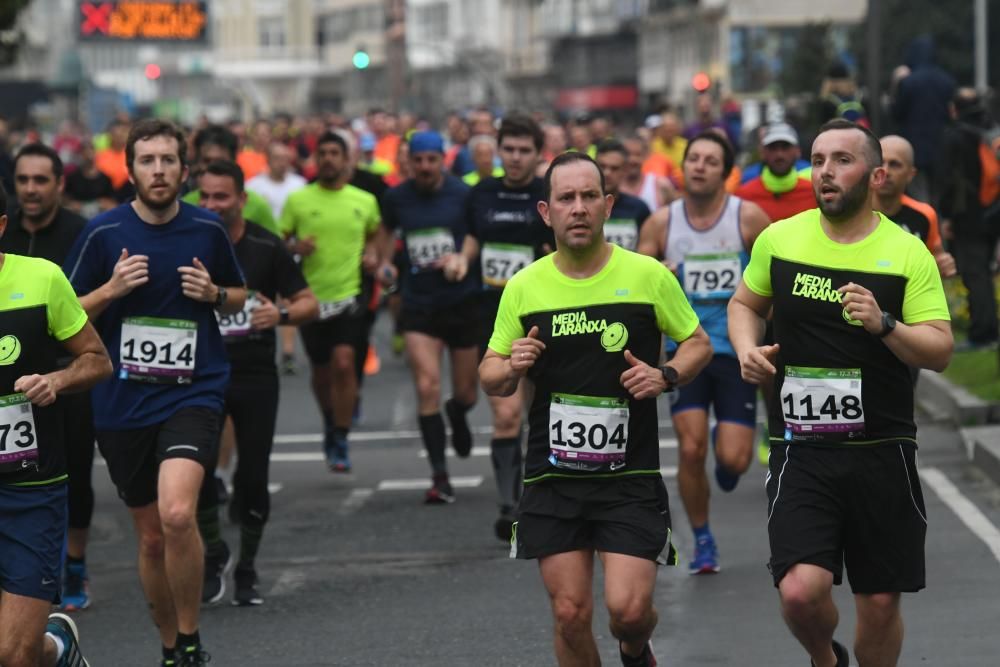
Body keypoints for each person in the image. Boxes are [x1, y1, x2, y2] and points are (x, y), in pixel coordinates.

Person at [728, 119, 953, 667]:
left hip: (881, 450)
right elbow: (744, 305)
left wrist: (885, 325)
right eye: (818, 159)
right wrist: (746, 349)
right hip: (802, 450)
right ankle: (826, 658)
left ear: (876, 175)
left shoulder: (906, 253)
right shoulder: (781, 240)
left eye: (841, 161)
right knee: (801, 592)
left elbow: (941, 349)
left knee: (877, 602)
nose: (825, 172)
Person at [480, 151, 712, 667]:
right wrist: (512, 365)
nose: (579, 208)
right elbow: (490, 376)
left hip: (629, 477)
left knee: (628, 611)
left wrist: (665, 374)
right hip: (553, 477)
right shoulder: (526, 286)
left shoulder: (647, 276)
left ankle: (634, 647)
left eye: (589, 197)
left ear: (608, 205)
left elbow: (697, 343)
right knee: (569, 612)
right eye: (566, 198)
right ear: (547, 212)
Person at [64, 119, 247, 667]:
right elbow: (64, 316)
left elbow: (238, 297)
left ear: (184, 170)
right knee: (149, 538)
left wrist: (215, 293)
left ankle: (190, 640)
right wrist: (111, 289)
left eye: (168, 160)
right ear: (130, 169)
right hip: (122, 402)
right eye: (148, 161)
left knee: (174, 513)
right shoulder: (103, 233)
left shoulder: (207, 229)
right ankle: (169, 643)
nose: (159, 170)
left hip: (194, 391)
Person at [638, 132, 770, 574]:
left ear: (725, 171)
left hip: (734, 349)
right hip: (686, 352)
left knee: (733, 460)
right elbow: (639, 288)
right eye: (693, 158)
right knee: (690, 450)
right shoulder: (661, 223)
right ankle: (703, 538)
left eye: (710, 161)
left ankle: (728, 455)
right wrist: (658, 274)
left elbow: (776, 276)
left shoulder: (748, 218)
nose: (698, 166)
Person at [0, 179, 111, 667]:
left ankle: (54, 646)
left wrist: (56, 380)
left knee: (14, 654)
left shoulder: (43, 280)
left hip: (32, 489)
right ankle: (57, 650)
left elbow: (97, 360)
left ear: (1, 226)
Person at [197, 159, 317, 606]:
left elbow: (309, 303)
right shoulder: (188, 243)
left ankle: (246, 566)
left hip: (254, 374)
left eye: (221, 196)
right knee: (198, 471)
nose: (211, 205)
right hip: (200, 375)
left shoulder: (266, 248)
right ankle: (213, 551)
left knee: (252, 477)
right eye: (204, 196)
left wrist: (279, 314)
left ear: (242, 200)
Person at [451, 113, 549, 537]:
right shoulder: (482, 193)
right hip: (491, 312)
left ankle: (537, 490)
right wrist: (462, 259)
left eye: (524, 150)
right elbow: (473, 239)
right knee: (506, 413)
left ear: (537, 154)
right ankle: (510, 506)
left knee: (536, 410)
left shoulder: (548, 195)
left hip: (542, 316)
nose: (514, 158)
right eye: (508, 149)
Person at [378, 131, 479, 504]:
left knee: (467, 392)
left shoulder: (462, 195)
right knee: (427, 386)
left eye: (430, 160)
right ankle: (440, 475)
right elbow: (386, 234)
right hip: (419, 303)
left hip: (461, 301)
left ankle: (458, 411)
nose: (424, 167)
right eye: (417, 161)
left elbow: (473, 235)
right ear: (409, 162)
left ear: (442, 160)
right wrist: (385, 263)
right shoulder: (397, 197)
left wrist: (462, 259)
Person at [280, 131, 380, 472]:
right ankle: (329, 421)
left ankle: (340, 435)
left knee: (344, 362)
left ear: (346, 159)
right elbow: (281, 242)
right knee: (321, 372)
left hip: (351, 296)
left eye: (335, 153)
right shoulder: (299, 200)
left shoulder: (364, 200)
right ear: (315, 159)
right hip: (312, 299)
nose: (327, 159)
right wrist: (295, 249)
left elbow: (376, 236)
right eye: (322, 153)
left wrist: (373, 257)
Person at [939, 88, 999, 348]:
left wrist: (947, 215)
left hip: (969, 216)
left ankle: (983, 334)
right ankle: (986, 330)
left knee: (975, 275)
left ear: (954, 109)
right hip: (993, 212)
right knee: (984, 272)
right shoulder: (991, 130)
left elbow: (951, 181)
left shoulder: (956, 136)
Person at [874, 135, 956, 278]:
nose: (885, 171)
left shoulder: (924, 215)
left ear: (911, 174)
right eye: (880, 163)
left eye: (894, 164)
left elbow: (935, 262)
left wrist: (942, 265)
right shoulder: (853, 210)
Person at [182, 125, 278, 236]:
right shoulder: (185, 205)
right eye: (206, 161)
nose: (213, 167)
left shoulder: (258, 205)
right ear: (198, 163)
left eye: (220, 161)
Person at [735, 123, 815, 224]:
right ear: (762, 152)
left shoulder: (813, 194)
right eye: (773, 148)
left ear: (797, 151)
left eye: (785, 147)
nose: (779, 154)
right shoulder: (743, 196)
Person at [595, 139, 653, 252]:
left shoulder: (639, 208)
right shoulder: (580, 207)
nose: (607, 173)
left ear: (625, 170)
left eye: (614, 168)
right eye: (602, 166)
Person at [246, 142, 307, 222]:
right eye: (277, 158)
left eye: (285, 158)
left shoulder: (300, 184)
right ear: (268, 160)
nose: (282, 163)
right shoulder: (253, 185)